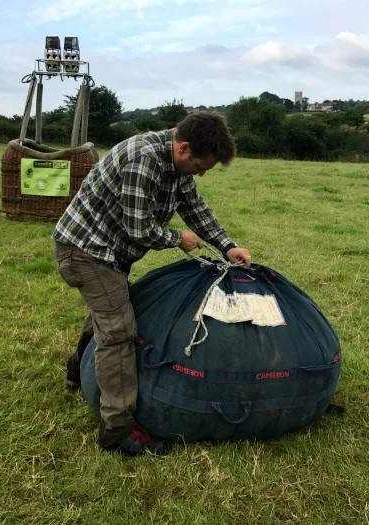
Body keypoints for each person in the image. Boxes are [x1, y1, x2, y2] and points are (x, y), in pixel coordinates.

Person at [53, 111, 251, 456]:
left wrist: (227, 245)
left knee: (110, 312)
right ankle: (118, 431)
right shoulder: (142, 158)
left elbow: (194, 207)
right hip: (85, 251)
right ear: (184, 147)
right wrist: (179, 239)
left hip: (110, 254)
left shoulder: (176, 163)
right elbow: (140, 229)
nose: (201, 174)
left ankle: (76, 372)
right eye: (201, 166)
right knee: (118, 332)